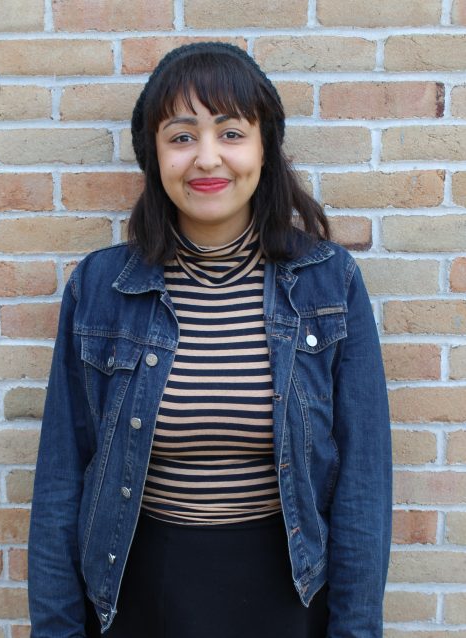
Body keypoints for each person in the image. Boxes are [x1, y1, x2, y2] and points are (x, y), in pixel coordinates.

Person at [28, 42, 392, 638]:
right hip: (136, 594)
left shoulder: (331, 283)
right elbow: (61, 482)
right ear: (154, 156)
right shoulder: (100, 288)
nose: (206, 159)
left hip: (288, 596)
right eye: (181, 136)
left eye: (230, 133)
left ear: (264, 148)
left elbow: (363, 486)